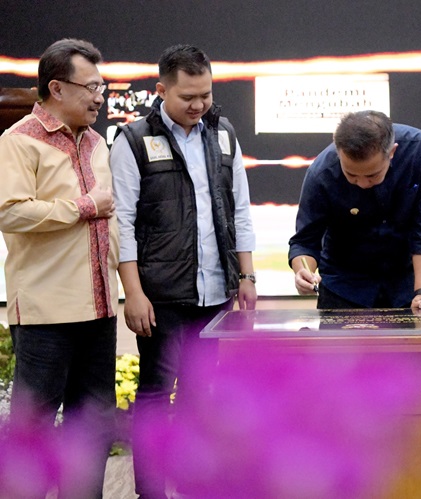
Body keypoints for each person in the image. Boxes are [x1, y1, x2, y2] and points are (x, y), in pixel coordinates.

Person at [110, 44, 257, 499]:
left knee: (199, 395)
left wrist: (246, 276)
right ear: (161, 90)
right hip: (160, 296)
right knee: (155, 396)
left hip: (215, 292)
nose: (198, 106)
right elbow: (123, 223)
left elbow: (240, 208)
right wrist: (132, 292)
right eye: (187, 97)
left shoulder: (223, 134)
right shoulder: (132, 140)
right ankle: (150, 491)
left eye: (205, 96)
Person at [0, 38, 118, 497]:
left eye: (101, 85)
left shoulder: (95, 142)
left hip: (99, 311)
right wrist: (83, 205)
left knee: (92, 428)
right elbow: (8, 211)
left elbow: (113, 223)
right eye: (90, 86)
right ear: (56, 87)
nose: (99, 96)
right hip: (47, 316)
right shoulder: (18, 141)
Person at [288, 110, 421, 310]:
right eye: (351, 175)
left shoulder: (419, 150)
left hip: (404, 287)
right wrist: (303, 271)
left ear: (392, 152)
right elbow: (304, 242)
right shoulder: (321, 173)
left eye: (372, 175)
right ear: (339, 152)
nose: (362, 183)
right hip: (342, 290)